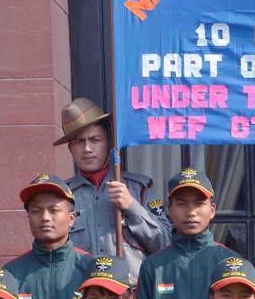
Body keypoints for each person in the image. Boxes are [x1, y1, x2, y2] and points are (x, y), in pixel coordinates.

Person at [136, 168, 234, 299]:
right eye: (182, 204)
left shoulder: (230, 263)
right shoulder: (153, 266)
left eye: (199, 204)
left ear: (213, 209)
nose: (191, 212)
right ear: (169, 209)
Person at [57, 97, 170, 276]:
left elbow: (165, 243)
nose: (87, 148)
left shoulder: (139, 189)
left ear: (109, 143)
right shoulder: (62, 196)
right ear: (70, 148)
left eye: (95, 139)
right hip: (82, 295)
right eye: (79, 142)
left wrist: (132, 207)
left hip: (131, 297)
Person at [4, 173, 95, 299]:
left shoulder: (91, 269)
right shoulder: (11, 274)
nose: (45, 217)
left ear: (71, 218)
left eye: (53, 210)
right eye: (36, 211)